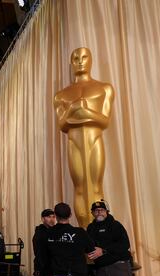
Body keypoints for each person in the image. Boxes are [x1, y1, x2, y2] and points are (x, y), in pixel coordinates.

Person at [53, 47, 115, 228]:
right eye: (76, 58)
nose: (80, 61)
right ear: (71, 63)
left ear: (90, 60)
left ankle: (100, 229)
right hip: (74, 142)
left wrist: (85, 112)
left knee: (96, 187)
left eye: (84, 57)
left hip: (94, 139)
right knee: (79, 188)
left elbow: (104, 120)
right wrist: (73, 109)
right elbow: (62, 125)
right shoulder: (61, 95)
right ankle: (85, 232)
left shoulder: (104, 88)